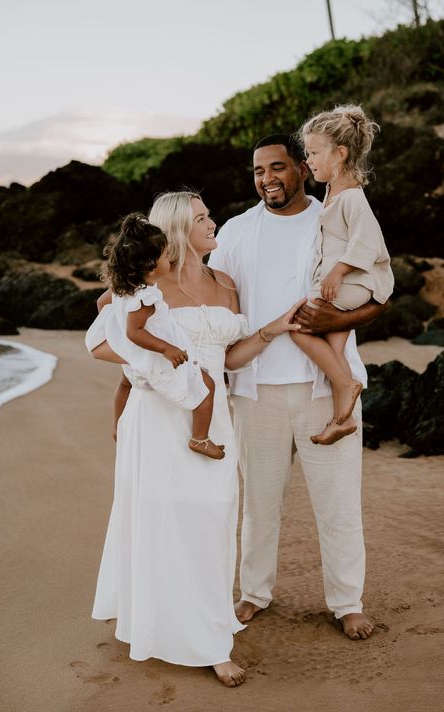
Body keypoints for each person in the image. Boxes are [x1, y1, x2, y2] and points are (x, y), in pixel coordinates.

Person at [86, 190, 305, 686]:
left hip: (211, 413)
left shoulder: (225, 283)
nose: (213, 222)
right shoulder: (147, 282)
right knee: (161, 519)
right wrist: (154, 365)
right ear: (177, 231)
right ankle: (182, 632)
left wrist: (271, 331)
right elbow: (101, 343)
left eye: (209, 214)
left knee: (211, 517)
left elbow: (226, 358)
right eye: (201, 217)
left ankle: (206, 629)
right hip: (160, 410)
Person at [208, 133, 387, 640]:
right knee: (259, 505)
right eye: (259, 171)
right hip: (254, 388)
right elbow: (215, 305)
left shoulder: (334, 218)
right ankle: (253, 593)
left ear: (303, 169)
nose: (268, 179)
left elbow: (377, 295)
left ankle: (347, 602)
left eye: (278, 168)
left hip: (324, 389)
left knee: (338, 504)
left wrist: (337, 314)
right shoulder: (237, 231)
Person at [291, 105, 394, 445]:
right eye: (307, 152)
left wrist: (337, 272)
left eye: (314, 152)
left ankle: (347, 383)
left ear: (340, 153)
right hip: (345, 282)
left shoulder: (351, 197)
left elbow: (370, 243)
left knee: (299, 327)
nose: (309, 160)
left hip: (351, 283)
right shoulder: (332, 193)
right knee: (334, 344)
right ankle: (342, 418)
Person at [102, 211, 224, 460]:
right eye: (166, 255)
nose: (170, 260)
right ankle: (200, 438)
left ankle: (117, 425)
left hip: (136, 359)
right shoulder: (146, 297)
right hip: (157, 357)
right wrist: (167, 348)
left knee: (126, 383)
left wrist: (118, 336)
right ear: (150, 265)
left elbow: (102, 308)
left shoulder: (121, 291)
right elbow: (134, 331)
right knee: (207, 384)